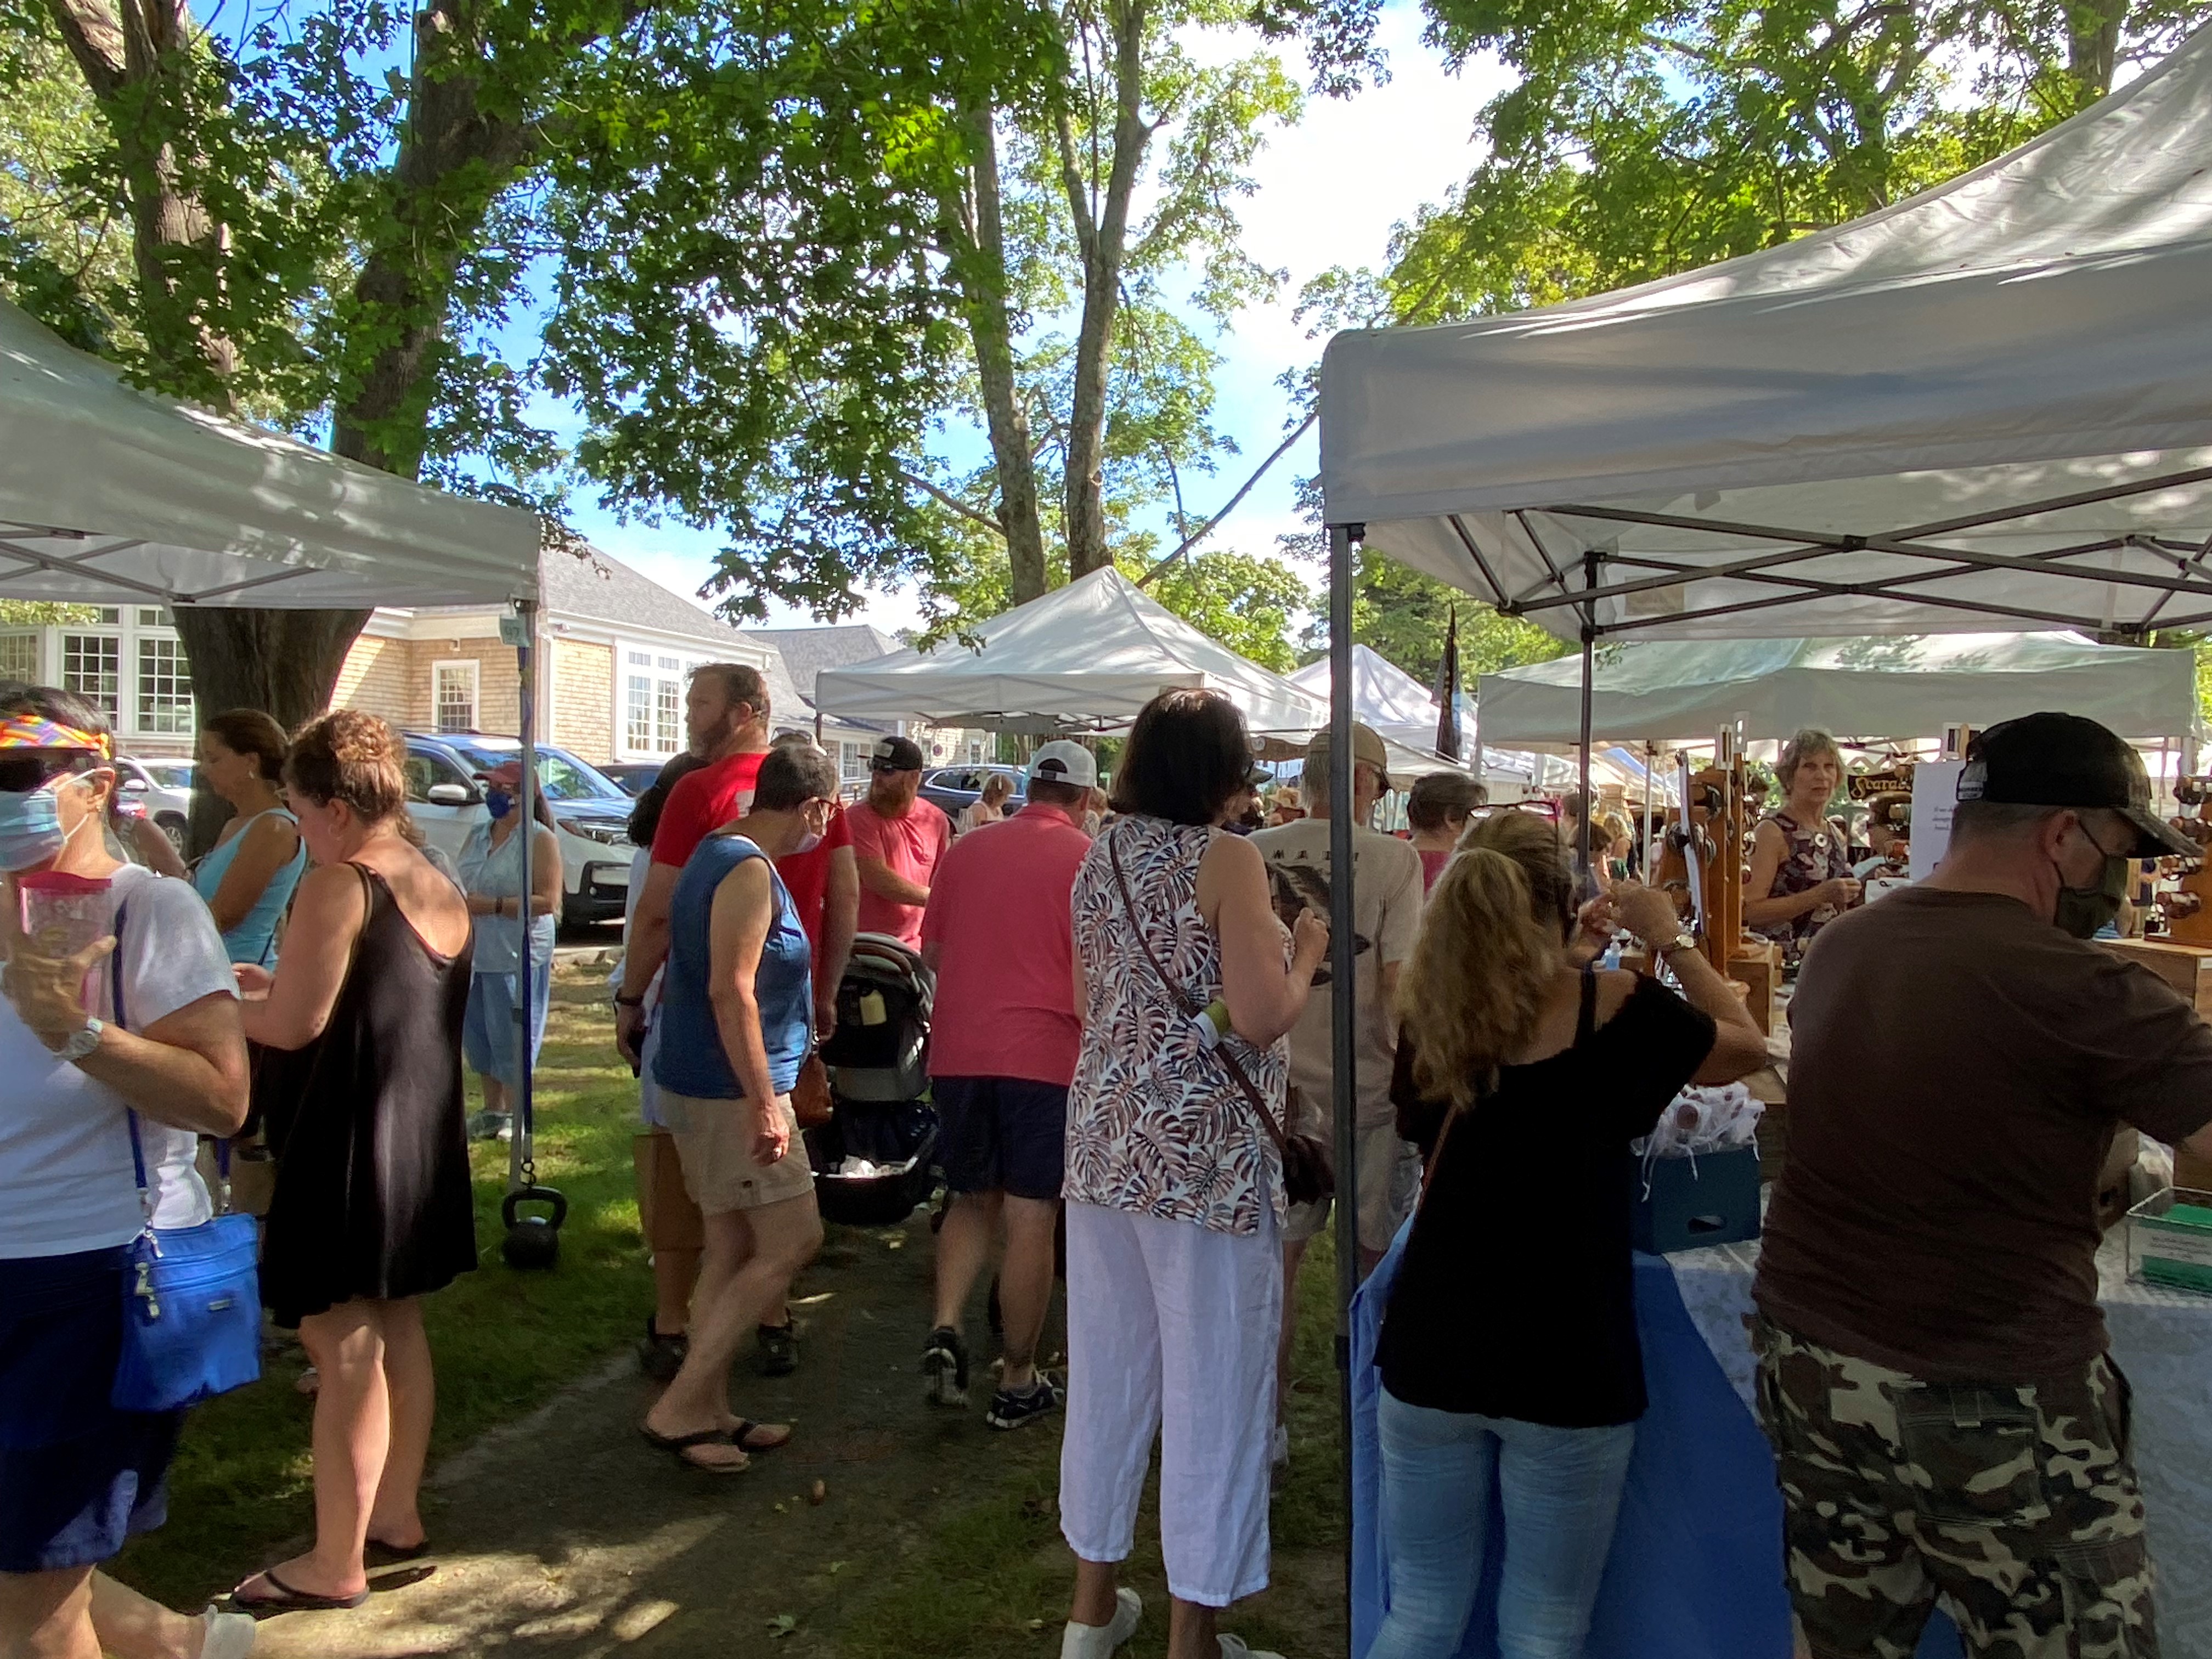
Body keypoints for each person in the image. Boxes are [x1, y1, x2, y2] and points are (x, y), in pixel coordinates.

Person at [1752, 712, 2212, 1659]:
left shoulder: (1845, 945)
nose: (2118, 880)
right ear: (2061, 834)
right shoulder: (2084, 988)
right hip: (1994, 1392)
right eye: (2120, 849)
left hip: (1815, 1369)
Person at [1370, 810, 1766, 1659]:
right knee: (1545, 1628)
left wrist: (1567, 957)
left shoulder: (1435, 1014)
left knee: (1423, 1613)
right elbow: (1745, 1045)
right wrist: (1674, 937)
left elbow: (1502, 1063)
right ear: (1561, 905)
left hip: (1434, 1338)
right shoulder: (1616, 1006)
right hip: (1566, 1351)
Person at [1057, 689, 1328, 1659]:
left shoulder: (1100, 856)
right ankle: (1191, 1638)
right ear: (1222, 769)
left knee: (1109, 1372)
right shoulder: (1229, 857)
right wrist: (1304, 953)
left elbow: (1094, 998)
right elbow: (1260, 1015)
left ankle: (1089, 1614)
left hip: (1103, 1144)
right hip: (1203, 1161)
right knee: (1213, 1387)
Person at [0, 686, 257, 1659]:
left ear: (94, 782)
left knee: (30, 1606)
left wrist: (71, 1028)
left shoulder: (150, 907)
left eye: (16, 775)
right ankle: (200, 1645)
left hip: (92, 1275)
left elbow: (223, 1099)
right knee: (28, 1564)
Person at [232, 711, 477, 1612]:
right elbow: (366, 996)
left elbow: (294, 1024)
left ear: (332, 806)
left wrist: (211, 1002)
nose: (298, 830)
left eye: (297, 812)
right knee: (396, 1326)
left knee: (339, 1344)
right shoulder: (432, 875)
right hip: (417, 1141)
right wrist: (273, 986)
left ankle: (336, 1559)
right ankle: (397, 1511)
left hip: (346, 1140)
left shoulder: (341, 881)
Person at [640, 744, 838, 1472]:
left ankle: (711, 1408)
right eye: (828, 813)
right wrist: (764, 1105)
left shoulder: (720, 855)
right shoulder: (747, 870)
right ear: (814, 806)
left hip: (707, 1082)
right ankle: (681, 1406)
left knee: (730, 1248)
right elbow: (733, 991)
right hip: (730, 1093)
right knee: (792, 1239)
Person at [1251, 723, 1425, 1466]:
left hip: (1276, 1091)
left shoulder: (1249, 855)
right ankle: (1373, 1430)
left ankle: (1269, 1430)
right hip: (1366, 1088)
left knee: (1276, 1270)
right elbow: (1397, 986)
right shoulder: (1393, 859)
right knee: (1371, 1259)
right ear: (1364, 781)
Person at [918, 740, 1098, 1430]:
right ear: (1084, 800)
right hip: (1045, 1056)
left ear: (1026, 791)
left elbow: (931, 952)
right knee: (1031, 1216)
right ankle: (1018, 1377)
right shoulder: (1087, 862)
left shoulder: (966, 851)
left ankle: (944, 1326)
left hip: (962, 1050)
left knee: (968, 1200)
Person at [749, 732, 855, 1375]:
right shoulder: (748, 860)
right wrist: (830, 990)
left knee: (749, 1209)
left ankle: (741, 1329)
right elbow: (843, 898)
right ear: (812, 805)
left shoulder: (742, 843)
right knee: (783, 1212)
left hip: (775, 1024)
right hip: (763, 1038)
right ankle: (768, 1317)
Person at [614, 664, 774, 1067]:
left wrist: (630, 999)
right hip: (786, 1000)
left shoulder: (698, 791)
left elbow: (657, 914)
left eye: (701, 704)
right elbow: (845, 896)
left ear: (742, 713)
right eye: (688, 705)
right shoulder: (811, 789)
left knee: (695, 1128)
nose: (688, 717)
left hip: (704, 1004)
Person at [623, 753, 709, 1385]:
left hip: (677, 1020)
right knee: (679, 1172)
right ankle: (675, 1318)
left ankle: (681, 1315)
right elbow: (648, 932)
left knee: (693, 1172)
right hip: (675, 1020)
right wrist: (630, 1004)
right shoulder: (666, 863)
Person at [132, 709, 306, 968]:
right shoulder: (236, 824)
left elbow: (222, 916)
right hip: (204, 974)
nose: (204, 770)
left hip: (236, 982)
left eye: (213, 759)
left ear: (251, 762)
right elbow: (203, 900)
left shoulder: (274, 828)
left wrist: (143, 909)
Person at [456, 761, 560, 1141]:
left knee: (511, 1035)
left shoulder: (539, 840)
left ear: (523, 794)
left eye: (503, 788)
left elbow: (548, 900)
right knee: (479, 1033)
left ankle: (520, 1116)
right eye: (491, 787)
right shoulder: (478, 834)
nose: (494, 794)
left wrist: (495, 905)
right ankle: (492, 1110)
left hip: (516, 953)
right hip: (476, 951)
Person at [1744, 727, 1859, 955]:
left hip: (1826, 960)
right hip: (1783, 964)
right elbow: (1749, 910)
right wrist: (1820, 894)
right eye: (1809, 766)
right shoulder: (1773, 832)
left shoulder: (1835, 833)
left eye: (1829, 766)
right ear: (1789, 776)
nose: (1822, 776)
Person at [845, 735, 951, 952]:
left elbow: (940, 878)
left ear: (914, 778)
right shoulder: (857, 817)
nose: (877, 776)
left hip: (918, 946)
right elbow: (877, 879)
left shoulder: (936, 819)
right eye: (873, 767)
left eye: (887, 770)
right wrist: (938, 899)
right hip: (867, 946)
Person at [1406, 771, 1485, 893]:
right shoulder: (1462, 870)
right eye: (1476, 813)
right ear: (1451, 819)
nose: (1478, 821)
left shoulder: (1391, 858)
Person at [1852, 790, 1910, 881]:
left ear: (1890, 828)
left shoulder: (1864, 869)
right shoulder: (1928, 864)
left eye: (1870, 824)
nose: (1868, 831)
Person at [958, 770, 1014, 834]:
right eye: (1005, 796)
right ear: (996, 795)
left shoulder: (997, 809)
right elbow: (975, 833)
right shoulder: (979, 809)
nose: (1006, 799)